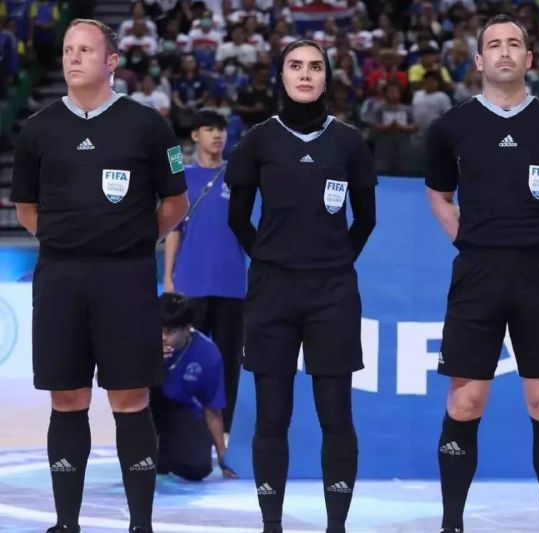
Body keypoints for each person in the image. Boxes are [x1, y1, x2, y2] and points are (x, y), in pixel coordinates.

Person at [10, 19, 189, 533]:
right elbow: (26, 208)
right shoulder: (38, 129)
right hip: (60, 279)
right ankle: (66, 523)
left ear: (111, 61)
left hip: (126, 278)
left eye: (86, 50)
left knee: (130, 398)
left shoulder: (149, 125)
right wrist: (70, 240)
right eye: (68, 49)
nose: (73, 57)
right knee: (67, 398)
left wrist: (131, 239)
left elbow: (175, 202)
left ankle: (140, 524)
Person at [426, 15, 539, 533]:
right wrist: (469, 240)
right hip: (477, 273)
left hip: (538, 273)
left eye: (514, 44)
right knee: (466, 401)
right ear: (478, 60)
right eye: (493, 44)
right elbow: (438, 194)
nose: (504, 52)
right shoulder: (451, 126)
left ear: (528, 58)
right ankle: (452, 524)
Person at [225, 40, 377, 533]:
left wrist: (333, 262)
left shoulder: (349, 142)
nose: (305, 74)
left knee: (336, 415)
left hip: (333, 292)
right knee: (272, 416)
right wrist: (271, 259)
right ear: (282, 76)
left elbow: (366, 219)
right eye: (296, 66)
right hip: (272, 291)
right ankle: (271, 524)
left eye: (315, 66)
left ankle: (337, 526)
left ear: (327, 77)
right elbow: (237, 217)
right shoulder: (258, 140)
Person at [163, 109, 247, 433]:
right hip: (191, 283)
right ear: (195, 136)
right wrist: (169, 277)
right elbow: (174, 230)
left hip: (231, 284)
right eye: (210, 129)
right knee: (183, 357)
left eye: (221, 129)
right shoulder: (183, 177)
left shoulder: (240, 177)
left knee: (229, 360)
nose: (218, 135)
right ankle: (183, 424)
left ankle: (225, 429)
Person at [153, 292, 237, 481]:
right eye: (159, 330)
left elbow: (212, 409)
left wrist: (223, 458)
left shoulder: (208, 355)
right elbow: (116, 383)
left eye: (169, 331)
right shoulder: (143, 341)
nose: (163, 337)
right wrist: (150, 363)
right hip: (143, 405)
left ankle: (164, 451)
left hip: (179, 408)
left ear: (187, 328)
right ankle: (149, 448)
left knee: (198, 467)